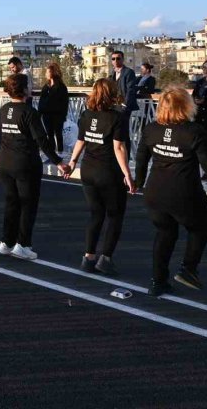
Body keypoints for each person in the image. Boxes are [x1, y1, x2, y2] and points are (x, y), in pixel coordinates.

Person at [135, 87, 207, 296]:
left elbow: (141, 159)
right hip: (184, 191)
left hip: (155, 191)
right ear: (186, 106)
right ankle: (188, 268)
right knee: (201, 227)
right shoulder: (194, 131)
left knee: (165, 232)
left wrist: (137, 182)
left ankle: (158, 281)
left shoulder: (151, 129)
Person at [0, 74, 71, 260]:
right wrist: (58, 162)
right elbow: (42, 141)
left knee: (11, 203)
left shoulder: (4, 109)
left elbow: (0, 137)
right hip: (24, 163)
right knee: (27, 204)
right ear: (23, 90)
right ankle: (23, 244)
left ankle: (6, 242)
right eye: (28, 85)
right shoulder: (29, 112)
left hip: (5, 161)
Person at [68, 79, 136, 275]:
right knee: (115, 215)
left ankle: (88, 257)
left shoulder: (86, 114)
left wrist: (73, 162)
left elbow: (81, 141)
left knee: (95, 214)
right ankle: (105, 258)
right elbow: (118, 147)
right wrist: (128, 174)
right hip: (109, 172)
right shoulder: (117, 117)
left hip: (88, 170)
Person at [109, 50, 137, 156]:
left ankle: (127, 155)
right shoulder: (112, 74)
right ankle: (116, 154)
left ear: (123, 59)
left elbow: (131, 90)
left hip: (124, 108)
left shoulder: (128, 72)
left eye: (118, 58)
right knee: (114, 132)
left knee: (124, 133)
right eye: (113, 58)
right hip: (113, 107)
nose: (115, 60)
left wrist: (125, 105)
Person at [37, 62, 69, 155]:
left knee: (58, 134)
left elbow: (64, 102)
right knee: (49, 134)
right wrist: (39, 114)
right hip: (46, 115)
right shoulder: (45, 87)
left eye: (48, 72)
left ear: (53, 73)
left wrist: (63, 115)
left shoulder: (61, 87)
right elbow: (41, 101)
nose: (46, 74)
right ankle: (52, 154)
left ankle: (60, 152)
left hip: (57, 115)